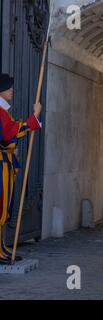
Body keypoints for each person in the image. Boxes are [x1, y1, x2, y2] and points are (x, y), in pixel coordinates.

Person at [0, 73, 42, 264]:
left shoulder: (3, 111)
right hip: (1, 166)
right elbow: (8, 136)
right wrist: (33, 119)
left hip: (5, 165)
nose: (12, 90)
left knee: (4, 208)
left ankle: (1, 248)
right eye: (9, 87)